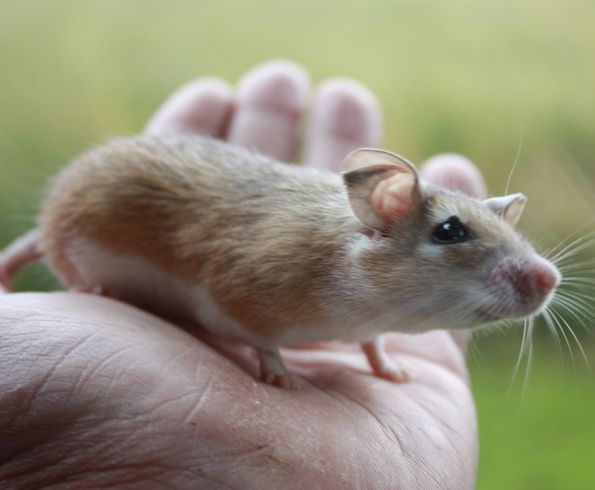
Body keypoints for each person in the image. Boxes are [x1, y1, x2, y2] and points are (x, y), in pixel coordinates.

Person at [0, 60, 482, 489]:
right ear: (380, 217)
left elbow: (377, 311)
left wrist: (374, 349)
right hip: (106, 202)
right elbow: (232, 294)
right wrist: (268, 354)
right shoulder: (303, 264)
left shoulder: (368, 282)